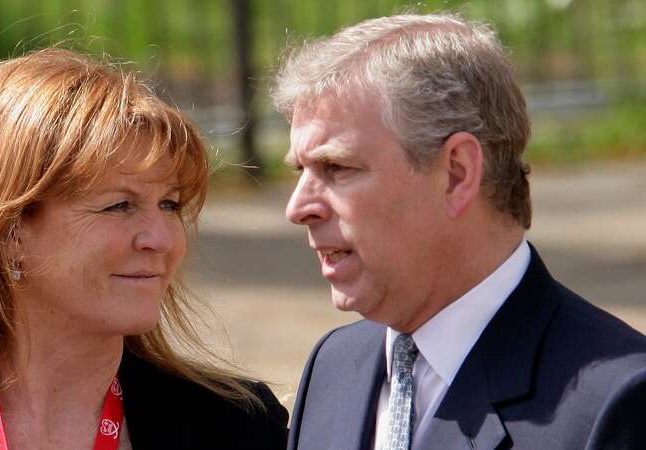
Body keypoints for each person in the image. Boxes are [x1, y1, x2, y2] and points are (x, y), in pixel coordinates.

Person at [0, 48, 288, 450]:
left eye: (169, 204)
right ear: (10, 232)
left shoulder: (239, 427)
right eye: (119, 206)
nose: (162, 239)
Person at [273, 13, 646, 450]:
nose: (297, 208)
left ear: (456, 173)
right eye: (301, 170)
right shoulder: (333, 367)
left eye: (335, 167)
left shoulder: (617, 404)